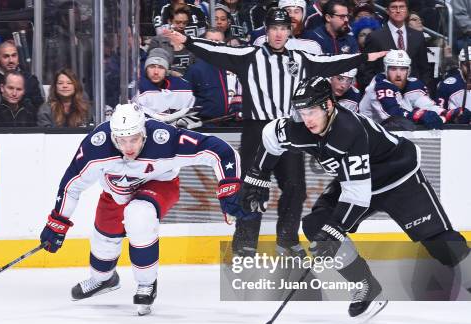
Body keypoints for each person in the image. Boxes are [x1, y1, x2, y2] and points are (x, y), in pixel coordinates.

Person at [164, 8, 388, 260]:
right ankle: (245, 244)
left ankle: (287, 241)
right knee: (252, 188)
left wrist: (365, 57)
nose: (279, 33)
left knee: (295, 188)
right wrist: (188, 41)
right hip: (257, 130)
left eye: (283, 29)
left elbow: (332, 62)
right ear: (266, 31)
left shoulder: (301, 59)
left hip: (289, 130)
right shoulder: (249, 55)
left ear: (289, 32)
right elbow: (217, 51)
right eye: (274, 28)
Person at [239, 76, 470, 320]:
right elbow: (270, 136)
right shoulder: (299, 127)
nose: (306, 119)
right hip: (353, 180)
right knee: (315, 224)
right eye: (301, 111)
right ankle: (366, 286)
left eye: (312, 111)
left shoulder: (348, 131)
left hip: (397, 177)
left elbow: (357, 197)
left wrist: (336, 229)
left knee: (441, 243)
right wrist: (258, 176)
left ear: (328, 105)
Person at [39, 102, 249, 315]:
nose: (129, 147)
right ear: (113, 136)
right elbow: (71, 185)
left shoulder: (165, 139)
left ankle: (146, 284)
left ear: (144, 132)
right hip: (116, 192)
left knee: (139, 215)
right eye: (122, 141)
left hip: (160, 185)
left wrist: (229, 189)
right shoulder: (96, 146)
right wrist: (57, 222)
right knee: (104, 237)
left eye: (135, 139)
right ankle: (103, 279)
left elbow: (221, 151)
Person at [359, 50, 463, 128]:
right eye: (393, 69)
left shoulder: (413, 84)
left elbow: (427, 105)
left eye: (403, 69)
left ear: (408, 71)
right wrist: (418, 115)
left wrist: (447, 113)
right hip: (368, 134)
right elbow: (393, 115)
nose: (398, 74)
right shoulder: (379, 86)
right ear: (386, 70)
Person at [357, 0, 432, 90]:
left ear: (407, 11)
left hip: (413, 93)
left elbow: (424, 69)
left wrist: (421, 88)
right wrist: (379, 90)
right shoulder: (375, 37)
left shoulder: (418, 36)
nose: (398, 10)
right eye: (394, 7)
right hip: (384, 93)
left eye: (402, 7)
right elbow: (367, 71)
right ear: (387, 11)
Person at [0, 41, 44, 113]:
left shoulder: (30, 80)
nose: (11, 60)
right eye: (6, 56)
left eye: (14, 55)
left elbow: (39, 110)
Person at [136, 47, 197, 127]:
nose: (156, 72)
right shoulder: (138, 88)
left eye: (161, 67)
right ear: (146, 69)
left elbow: (192, 114)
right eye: (152, 67)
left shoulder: (183, 87)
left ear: (167, 70)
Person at [250, 0, 323, 55]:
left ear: (303, 15)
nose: (292, 15)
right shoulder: (260, 36)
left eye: (296, 12)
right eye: (288, 11)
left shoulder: (314, 39)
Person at [436, 46, 471, 123]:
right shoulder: (448, 86)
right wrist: (454, 116)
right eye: (467, 65)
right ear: (460, 65)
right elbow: (439, 114)